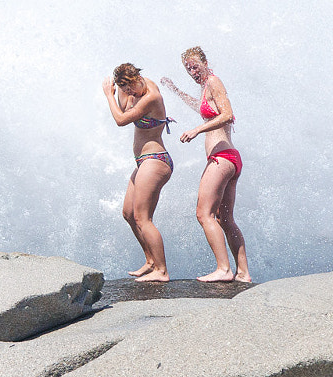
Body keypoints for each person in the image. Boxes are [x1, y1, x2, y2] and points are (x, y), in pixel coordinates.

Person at [162, 47, 250, 283]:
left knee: (204, 214)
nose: (192, 71)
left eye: (194, 66)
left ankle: (223, 269)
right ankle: (243, 273)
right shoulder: (206, 87)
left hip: (222, 159)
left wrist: (197, 130)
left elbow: (227, 114)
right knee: (225, 219)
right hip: (229, 158)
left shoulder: (213, 81)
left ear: (205, 62)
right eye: (187, 68)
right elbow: (203, 108)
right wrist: (176, 91)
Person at [103, 62, 175, 283]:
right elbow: (125, 109)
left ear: (137, 78)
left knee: (142, 217)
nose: (130, 94)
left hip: (156, 159)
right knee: (128, 213)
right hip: (143, 162)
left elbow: (121, 120)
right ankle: (150, 261)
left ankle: (161, 271)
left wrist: (108, 95)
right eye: (125, 90)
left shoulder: (151, 95)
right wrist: (122, 94)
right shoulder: (135, 91)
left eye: (131, 88)